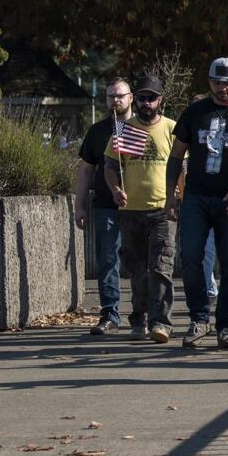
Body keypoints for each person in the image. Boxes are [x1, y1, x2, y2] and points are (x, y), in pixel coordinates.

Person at [166, 58, 228, 349]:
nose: (223, 88)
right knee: (191, 256)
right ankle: (199, 319)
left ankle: (225, 326)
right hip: (197, 195)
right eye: (217, 82)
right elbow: (176, 156)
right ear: (209, 82)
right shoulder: (194, 112)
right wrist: (170, 193)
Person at [103, 76, 177, 343]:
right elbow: (110, 166)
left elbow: (183, 166)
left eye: (152, 98)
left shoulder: (172, 128)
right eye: (142, 98)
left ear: (161, 100)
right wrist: (115, 189)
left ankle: (161, 323)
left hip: (162, 210)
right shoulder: (123, 130)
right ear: (135, 99)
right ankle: (139, 319)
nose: (147, 103)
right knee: (137, 270)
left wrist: (177, 195)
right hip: (131, 210)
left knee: (161, 267)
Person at [76, 77, 133, 336]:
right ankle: (110, 312)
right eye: (111, 96)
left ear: (131, 97)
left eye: (120, 95)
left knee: (140, 260)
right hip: (105, 204)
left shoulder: (143, 128)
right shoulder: (98, 131)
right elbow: (86, 169)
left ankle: (144, 314)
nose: (115, 100)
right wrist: (79, 205)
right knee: (107, 259)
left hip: (140, 205)